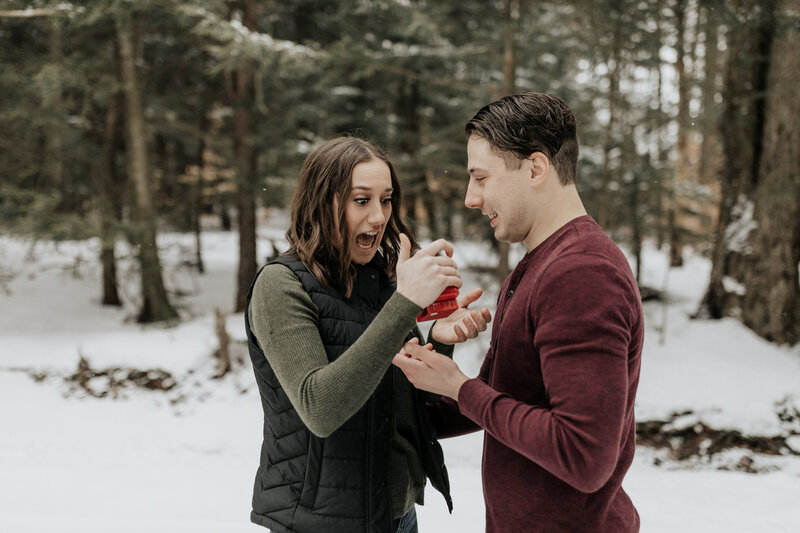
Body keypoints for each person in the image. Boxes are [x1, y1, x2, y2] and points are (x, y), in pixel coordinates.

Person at [393, 93, 644, 533]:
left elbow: (584, 456)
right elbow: (494, 400)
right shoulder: (541, 263)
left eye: (481, 177)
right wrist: (433, 365)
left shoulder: (582, 273)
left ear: (535, 169)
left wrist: (462, 388)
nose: (471, 198)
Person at [244, 136, 492, 533]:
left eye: (387, 199)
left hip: (394, 515)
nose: (379, 217)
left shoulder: (377, 285)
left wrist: (440, 340)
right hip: (320, 522)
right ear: (323, 202)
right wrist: (405, 302)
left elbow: (407, 411)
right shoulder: (281, 286)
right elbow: (320, 409)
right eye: (362, 200)